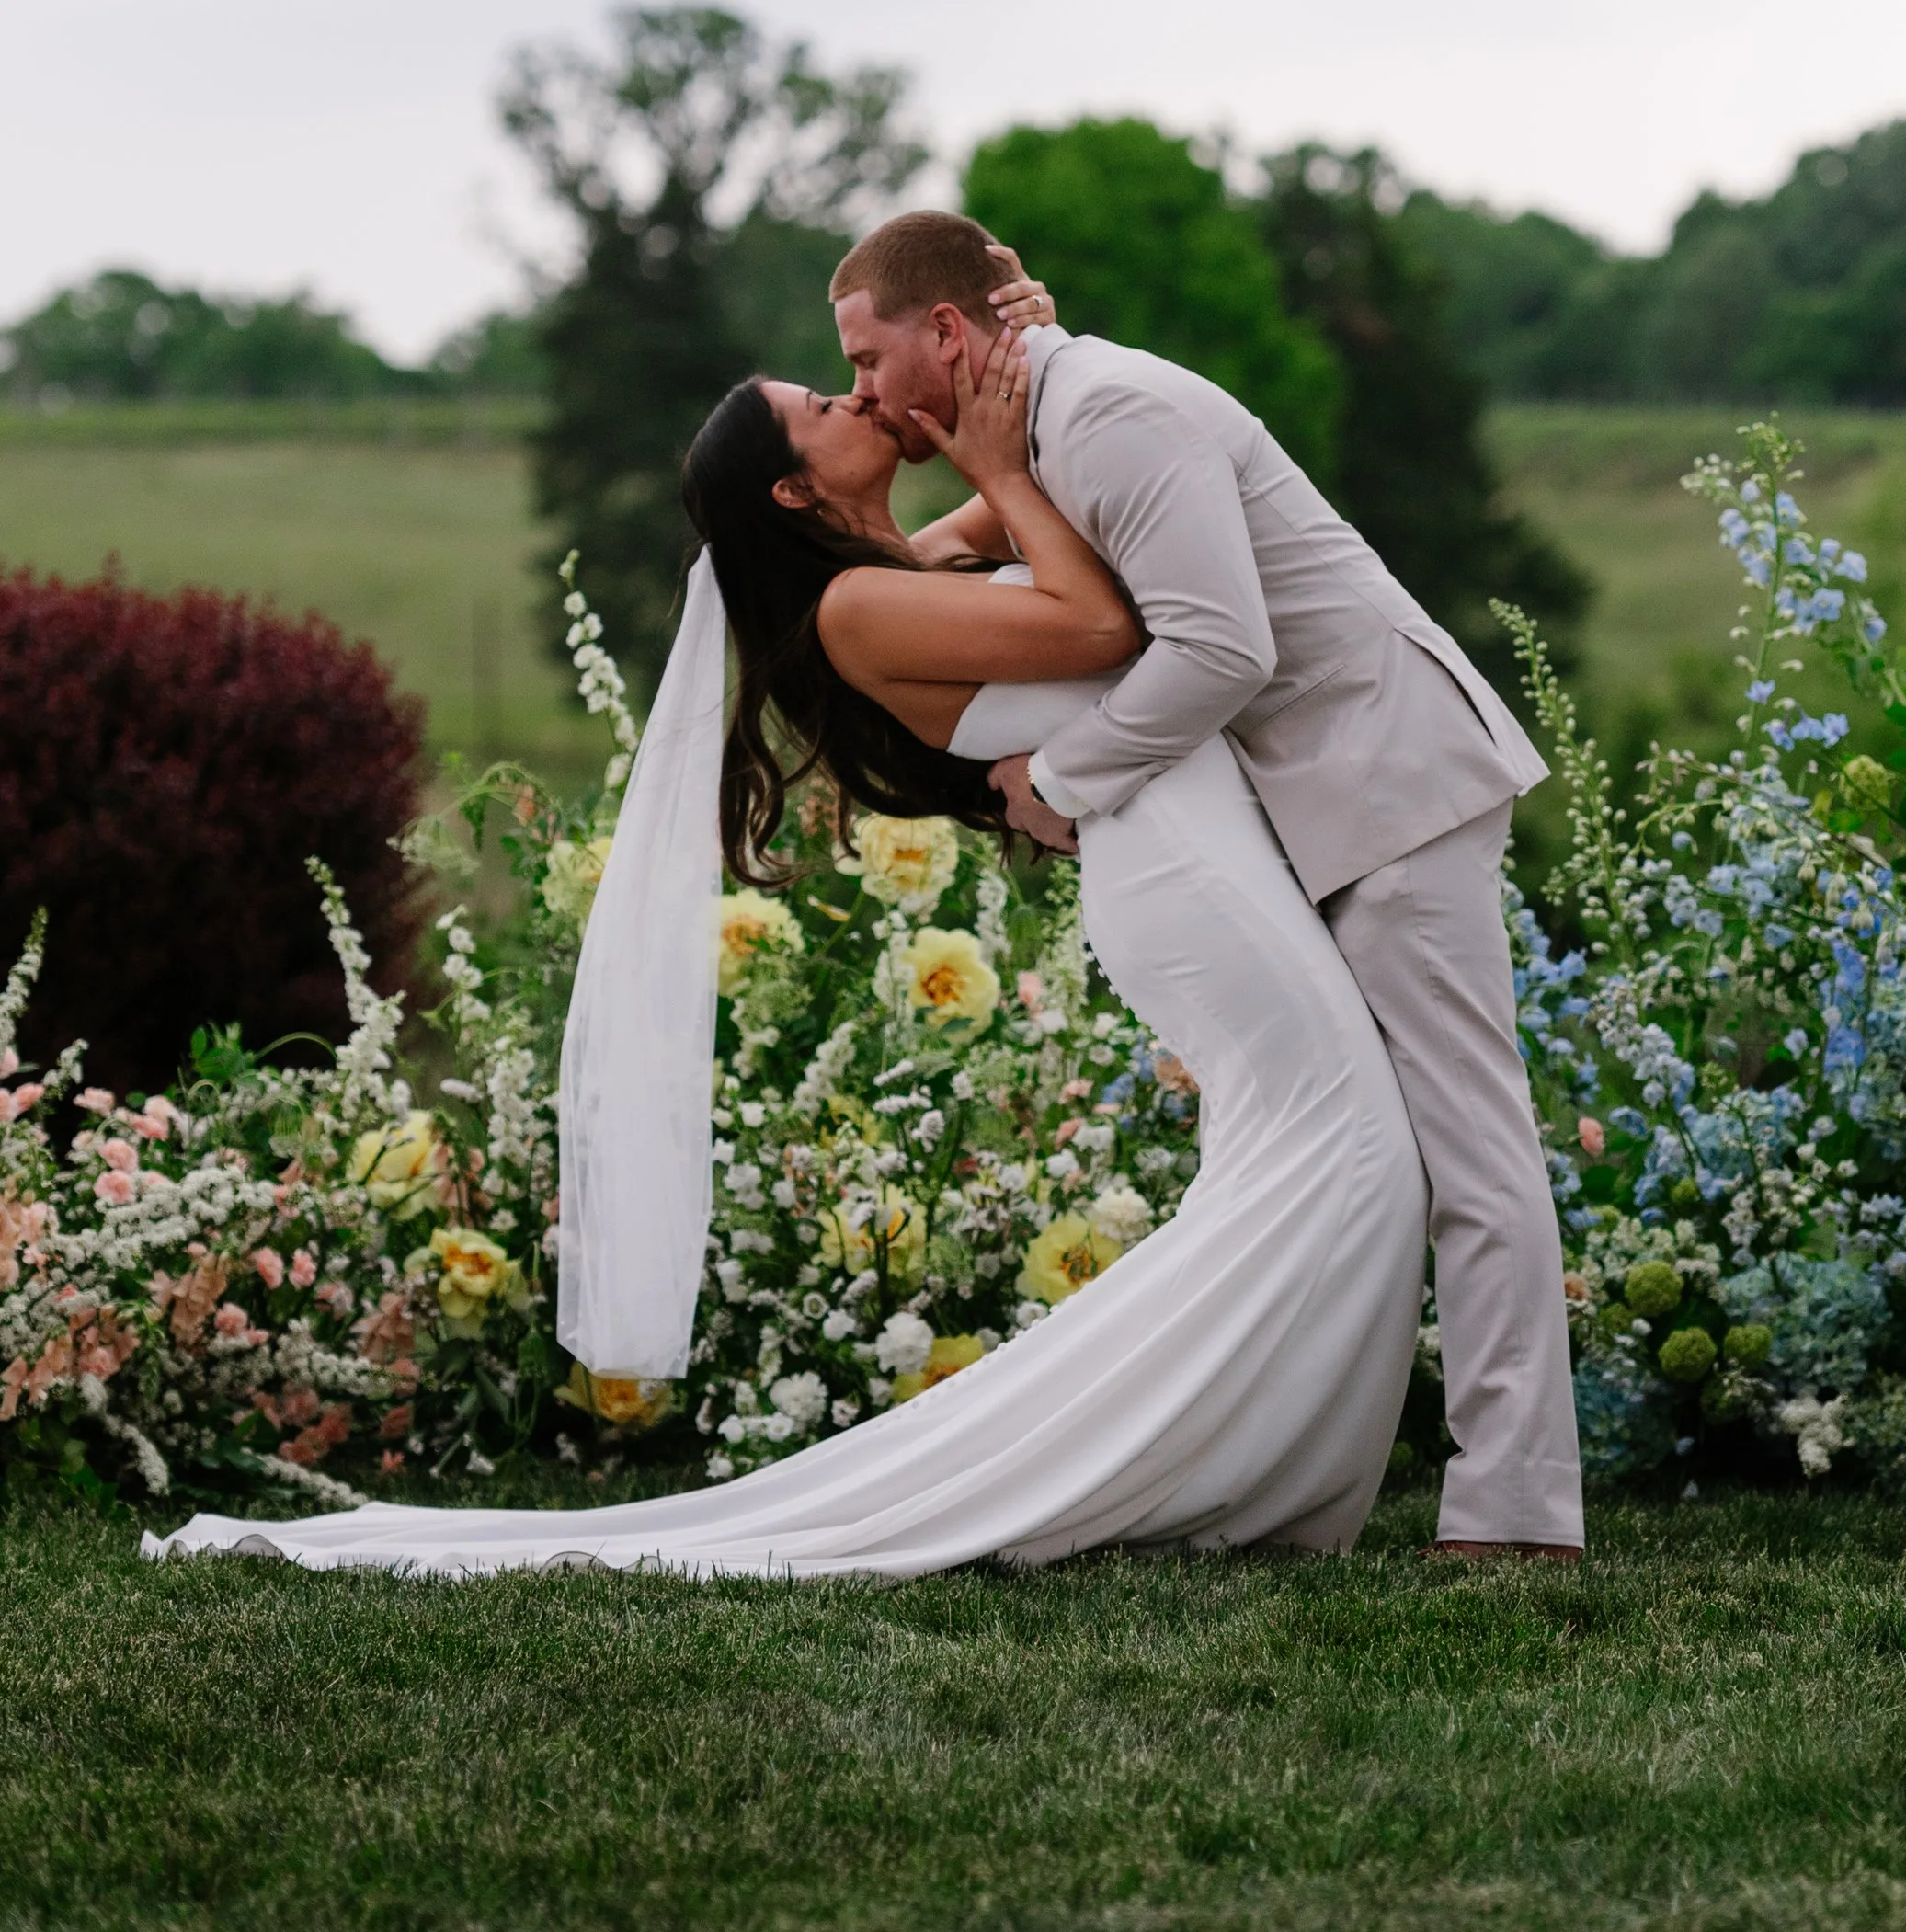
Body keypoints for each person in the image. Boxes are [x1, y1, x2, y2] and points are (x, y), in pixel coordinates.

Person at [144, 304, 1435, 1579]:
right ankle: (1207, 1458)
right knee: (1359, 1147)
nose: (853, 397)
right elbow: (1103, 627)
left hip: (1187, 858)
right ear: (793, 485)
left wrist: (1013, 353)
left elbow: (1024, 479)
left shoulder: (896, 566)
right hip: (1181, 879)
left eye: (849, 376)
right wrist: (989, 460)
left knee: (1334, 1154)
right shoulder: (857, 613)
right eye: (824, 406)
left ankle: (1231, 1456)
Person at [830, 214, 1582, 1562]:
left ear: (947, 331)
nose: (865, 389)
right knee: (1418, 1152)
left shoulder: (1108, 410)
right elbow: (972, 559)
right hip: (1332, 801)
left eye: (866, 355)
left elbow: (1221, 647)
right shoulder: (1046, 424)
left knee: (1472, 1151)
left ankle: (1518, 1517)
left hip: (1389, 779)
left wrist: (1059, 783)